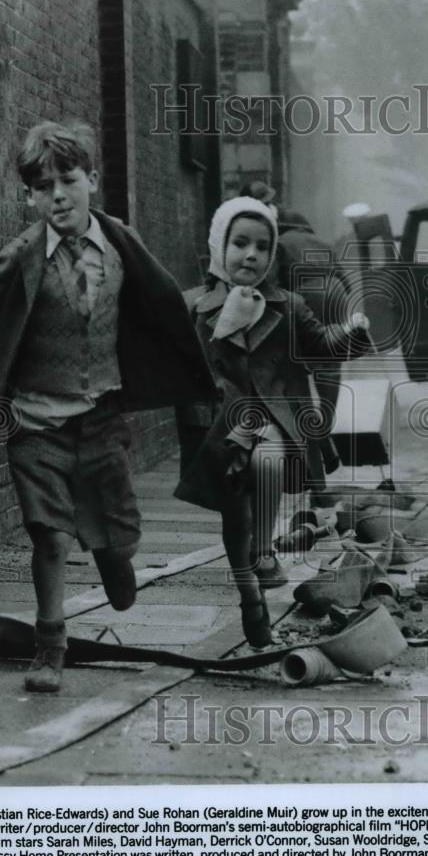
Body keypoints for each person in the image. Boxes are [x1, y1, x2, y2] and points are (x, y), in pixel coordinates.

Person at [0, 121, 215, 692]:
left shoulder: (122, 244)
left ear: (92, 182)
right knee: (49, 535)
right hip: (33, 422)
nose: (58, 195)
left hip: (101, 415)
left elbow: (161, 305)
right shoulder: (20, 258)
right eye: (43, 186)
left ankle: (111, 552)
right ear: (29, 196)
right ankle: (48, 648)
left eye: (68, 180)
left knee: (118, 536)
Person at [174, 197, 372, 648]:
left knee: (266, 461)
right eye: (240, 243)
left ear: (272, 254)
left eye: (262, 247)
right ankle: (250, 596)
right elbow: (178, 367)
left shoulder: (288, 305)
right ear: (218, 245)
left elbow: (321, 346)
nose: (251, 255)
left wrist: (352, 331)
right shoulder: (195, 307)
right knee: (234, 516)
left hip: (271, 420)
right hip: (218, 428)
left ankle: (263, 553)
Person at [276, 209, 354, 498]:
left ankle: (312, 436)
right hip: (335, 296)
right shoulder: (323, 243)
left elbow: (275, 282)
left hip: (302, 298)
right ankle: (326, 423)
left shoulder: (280, 242)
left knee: (295, 371)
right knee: (329, 366)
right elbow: (345, 280)